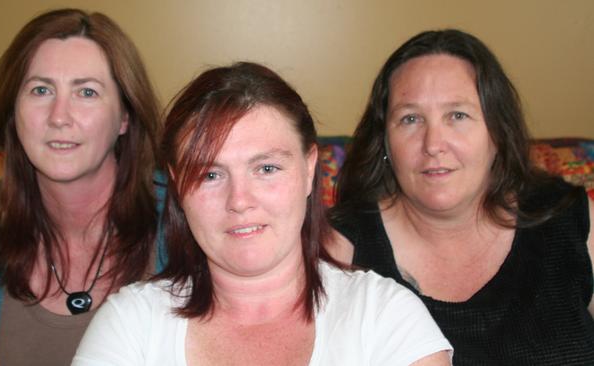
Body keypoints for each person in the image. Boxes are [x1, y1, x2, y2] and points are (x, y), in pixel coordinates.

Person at [73, 62, 452, 365]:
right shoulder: (129, 325)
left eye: (266, 168)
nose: (239, 200)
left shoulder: (385, 317)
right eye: (210, 174)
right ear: (177, 186)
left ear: (308, 171)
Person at [328, 29, 594, 365]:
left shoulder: (571, 220)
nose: (433, 144)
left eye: (457, 115)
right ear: (385, 143)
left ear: (497, 132)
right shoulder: (339, 252)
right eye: (410, 119)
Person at [0, 8, 166, 365]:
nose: (59, 116)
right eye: (41, 89)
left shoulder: (181, 223)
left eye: (87, 92)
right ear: (13, 114)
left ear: (125, 116)